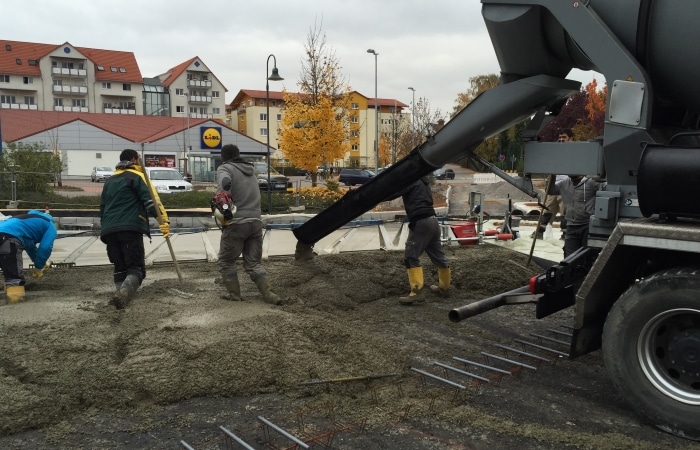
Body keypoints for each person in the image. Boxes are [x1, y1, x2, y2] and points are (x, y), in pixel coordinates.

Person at [100, 148, 170, 308]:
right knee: (136, 268)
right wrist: (163, 221)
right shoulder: (137, 177)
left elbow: (102, 208)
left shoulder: (109, 181)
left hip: (109, 230)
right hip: (130, 228)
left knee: (119, 267)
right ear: (134, 160)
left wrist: (105, 227)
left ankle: (119, 295)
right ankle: (124, 294)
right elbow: (151, 201)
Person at [216, 144, 281, 304]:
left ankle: (235, 296)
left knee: (226, 261)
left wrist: (224, 207)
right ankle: (269, 295)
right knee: (253, 262)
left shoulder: (225, 169)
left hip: (237, 222)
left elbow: (225, 184)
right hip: (255, 222)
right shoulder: (250, 171)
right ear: (238, 155)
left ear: (222, 158)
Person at [386, 176, 450, 305]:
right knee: (439, 257)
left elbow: (394, 193)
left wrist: (376, 195)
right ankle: (444, 288)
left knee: (410, 257)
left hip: (421, 222)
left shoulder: (411, 180)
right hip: (433, 221)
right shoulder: (423, 181)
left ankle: (416, 292)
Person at [0, 209, 57, 303]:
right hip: (9, 238)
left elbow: (30, 247)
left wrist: (39, 263)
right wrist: (39, 267)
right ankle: (15, 301)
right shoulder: (50, 225)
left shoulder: (25, 221)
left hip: (3, 232)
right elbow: (45, 248)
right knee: (13, 274)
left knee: (7, 266)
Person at [549, 173, 606, 258]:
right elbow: (551, 190)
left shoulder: (591, 182)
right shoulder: (564, 184)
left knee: (587, 255)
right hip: (571, 226)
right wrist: (552, 176)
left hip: (588, 226)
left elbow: (607, 188)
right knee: (570, 257)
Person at [532, 128, 574, 240]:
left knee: (564, 211)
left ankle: (565, 235)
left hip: (566, 186)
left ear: (571, 139)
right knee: (547, 209)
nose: (561, 140)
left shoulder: (574, 152)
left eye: (564, 137)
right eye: (560, 137)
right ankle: (539, 232)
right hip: (553, 185)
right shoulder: (556, 152)